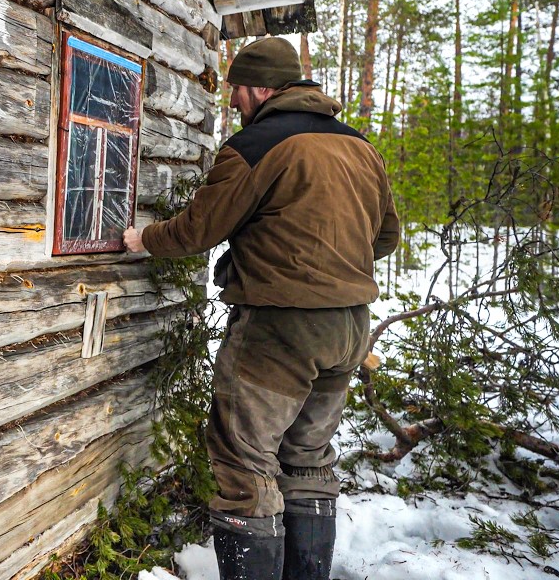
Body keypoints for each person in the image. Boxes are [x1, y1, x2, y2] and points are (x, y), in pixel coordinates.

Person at [123, 37, 400, 580]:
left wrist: (143, 239)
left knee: (242, 458)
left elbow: (201, 228)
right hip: (349, 329)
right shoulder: (360, 147)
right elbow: (386, 237)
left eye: (236, 91)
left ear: (259, 89)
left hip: (279, 330)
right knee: (309, 457)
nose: (233, 103)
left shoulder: (256, 145)